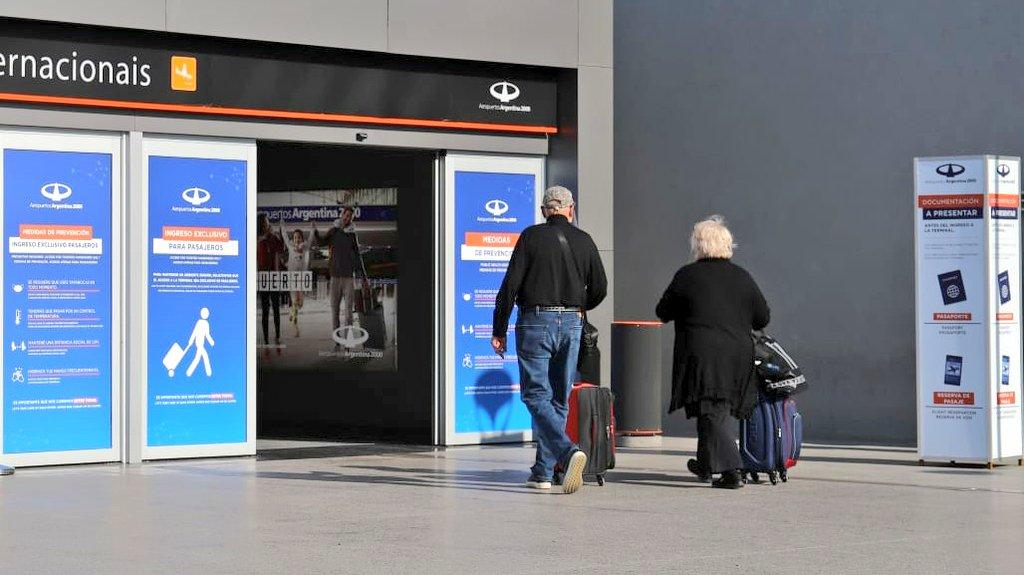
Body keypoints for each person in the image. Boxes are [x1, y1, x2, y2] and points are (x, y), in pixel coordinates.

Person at [492, 185, 607, 494]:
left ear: (545, 210)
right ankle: (543, 471)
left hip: (535, 322)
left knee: (534, 395)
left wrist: (498, 328)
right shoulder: (584, 241)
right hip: (571, 323)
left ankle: (567, 453)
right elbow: (600, 288)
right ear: (571, 209)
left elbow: (510, 284)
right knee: (558, 397)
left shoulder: (531, 236)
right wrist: (578, 307)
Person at [655, 215, 770, 489]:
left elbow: (662, 312)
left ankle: (732, 469)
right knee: (713, 408)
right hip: (737, 356)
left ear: (698, 244)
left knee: (711, 409)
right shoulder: (742, 277)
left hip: (702, 354)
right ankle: (706, 464)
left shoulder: (687, 275)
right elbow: (762, 318)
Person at [313, 207, 363, 349]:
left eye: (350, 217)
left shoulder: (352, 235)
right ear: (342, 215)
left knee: (348, 313)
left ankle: (348, 340)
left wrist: (362, 276)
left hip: (348, 278)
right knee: (334, 311)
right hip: (335, 277)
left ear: (352, 219)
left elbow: (358, 255)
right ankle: (337, 340)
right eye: (346, 215)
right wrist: (315, 232)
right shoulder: (333, 231)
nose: (347, 218)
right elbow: (321, 242)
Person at [257, 213, 286, 346]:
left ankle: (278, 335)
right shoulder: (256, 239)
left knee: (275, 308)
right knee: (265, 310)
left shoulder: (273, 238)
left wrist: (279, 231)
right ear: (261, 224)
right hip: (262, 277)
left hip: (274, 276)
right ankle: (266, 338)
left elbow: (282, 248)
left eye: (268, 222)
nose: (268, 224)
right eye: (266, 222)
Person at [281, 221, 310, 337]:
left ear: (302, 239)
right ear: (293, 239)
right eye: (295, 237)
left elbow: (311, 239)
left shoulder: (305, 249)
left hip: (301, 281)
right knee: (295, 303)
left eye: (299, 237)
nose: (297, 239)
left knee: (300, 304)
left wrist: (312, 230)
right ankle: (296, 328)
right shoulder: (290, 247)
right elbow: (284, 236)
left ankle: (292, 313)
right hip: (293, 280)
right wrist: (282, 226)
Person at [185, 307, 215, 377]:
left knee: (201, 357)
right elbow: (194, 331)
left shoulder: (207, 324)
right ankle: (207, 372)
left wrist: (211, 341)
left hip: (201, 343)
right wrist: (191, 340)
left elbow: (207, 334)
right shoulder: (199, 322)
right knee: (201, 357)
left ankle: (189, 372)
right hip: (198, 343)